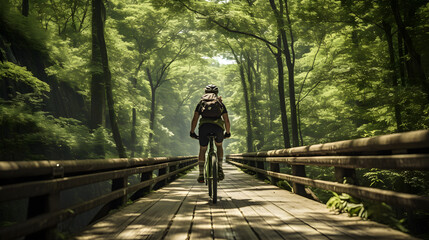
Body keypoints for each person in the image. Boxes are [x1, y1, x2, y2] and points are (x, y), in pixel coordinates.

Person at [190, 84, 231, 183]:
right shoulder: (220, 103)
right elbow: (226, 120)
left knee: (203, 149)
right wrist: (228, 132)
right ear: (217, 93)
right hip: (218, 128)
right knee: (219, 146)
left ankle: (200, 174)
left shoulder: (201, 103)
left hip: (204, 128)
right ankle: (220, 169)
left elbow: (195, 118)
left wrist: (192, 131)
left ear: (205, 93)